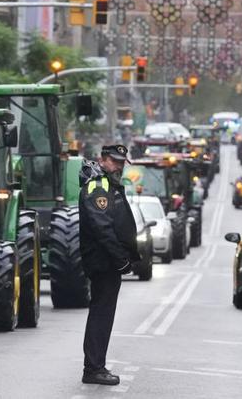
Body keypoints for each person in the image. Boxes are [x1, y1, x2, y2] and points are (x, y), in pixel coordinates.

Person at [78, 144, 140, 386]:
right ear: (102, 160)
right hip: (104, 262)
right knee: (101, 315)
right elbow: (103, 228)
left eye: (122, 162)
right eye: (115, 161)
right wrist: (121, 260)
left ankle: (95, 365)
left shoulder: (107, 184)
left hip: (107, 261)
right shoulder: (98, 186)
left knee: (102, 314)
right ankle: (94, 368)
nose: (119, 166)